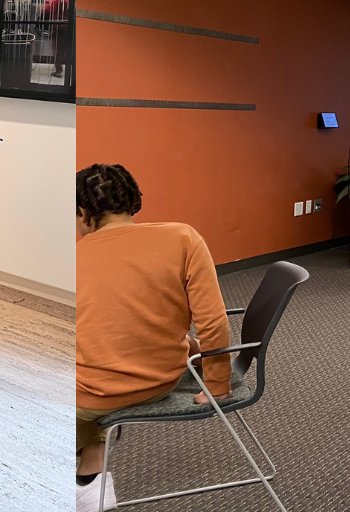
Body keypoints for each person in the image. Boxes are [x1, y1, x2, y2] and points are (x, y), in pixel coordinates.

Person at [74, 164, 232, 511]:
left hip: (89, 396)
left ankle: (85, 482)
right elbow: (212, 321)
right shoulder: (183, 237)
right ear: (132, 202)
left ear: (83, 214)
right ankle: (91, 477)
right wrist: (218, 384)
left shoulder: (75, 256)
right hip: (159, 380)